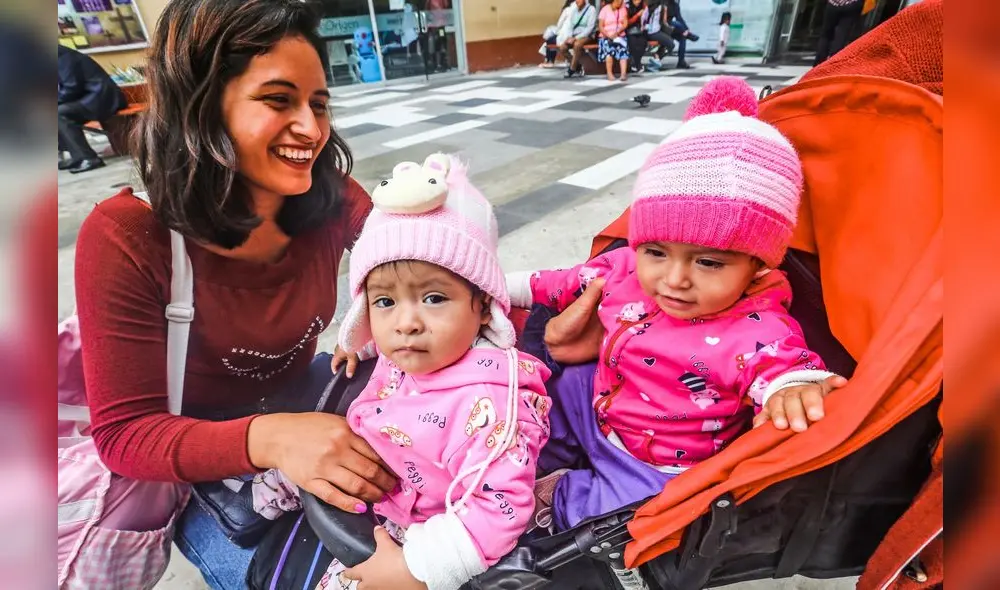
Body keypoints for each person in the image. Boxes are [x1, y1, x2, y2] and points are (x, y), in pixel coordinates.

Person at [73, 0, 397, 588]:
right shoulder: (128, 234)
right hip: (197, 457)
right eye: (279, 100)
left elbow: (419, 257)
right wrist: (272, 439)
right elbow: (124, 434)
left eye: (318, 103)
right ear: (202, 104)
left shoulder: (326, 194)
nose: (311, 129)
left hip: (310, 397)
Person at [507, 78, 846, 586]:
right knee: (542, 396)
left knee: (620, 521)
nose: (673, 278)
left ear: (756, 265)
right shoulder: (623, 268)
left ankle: (553, 496)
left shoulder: (754, 327)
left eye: (708, 262)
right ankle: (522, 457)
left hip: (661, 459)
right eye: (656, 251)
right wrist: (492, 286)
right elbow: (555, 282)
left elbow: (780, 363)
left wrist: (793, 387)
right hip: (596, 397)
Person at [316, 153, 552, 590]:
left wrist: (419, 568)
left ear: (482, 307)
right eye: (385, 303)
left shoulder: (489, 406)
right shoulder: (419, 346)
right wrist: (361, 347)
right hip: (388, 481)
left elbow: (501, 505)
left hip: (429, 528)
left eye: (434, 298)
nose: (406, 323)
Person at [57, 45, 126, 173]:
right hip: (88, 98)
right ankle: (77, 155)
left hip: (101, 99)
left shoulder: (62, 57)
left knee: (59, 114)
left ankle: (89, 158)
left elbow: (71, 87)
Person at [814, 0, 865, 66]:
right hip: (851, 4)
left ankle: (819, 62)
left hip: (833, 4)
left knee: (826, 34)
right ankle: (832, 63)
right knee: (842, 35)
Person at [558, 0, 597, 79]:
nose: (577, 1)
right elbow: (570, 25)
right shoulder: (574, 9)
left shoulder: (591, 9)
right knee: (562, 48)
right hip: (574, 35)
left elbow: (590, 28)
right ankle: (577, 66)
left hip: (587, 35)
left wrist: (575, 38)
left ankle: (572, 69)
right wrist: (569, 37)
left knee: (577, 44)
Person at [598, 0, 631, 82]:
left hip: (619, 35)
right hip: (606, 36)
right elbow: (600, 26)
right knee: (609, 50)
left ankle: (623, 74)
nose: (620, 2)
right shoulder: (604, 9)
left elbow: (625, 23)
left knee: (623, 50)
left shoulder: (623, 9)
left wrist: (617, 33)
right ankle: (609, 74)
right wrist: (608, 35)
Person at [541, 0, 576, 68]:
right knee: (552, 39)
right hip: (577, 36)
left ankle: (550, 61)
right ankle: (549, 60)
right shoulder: (583, 10)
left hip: (567, 37)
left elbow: (559, 24)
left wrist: (557, 31)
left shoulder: (567, 10)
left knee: (550, 40)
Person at [665, 0, 699, 69]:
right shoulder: (663, 3)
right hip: (663, 25)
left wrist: (686, 28)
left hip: (672, 28)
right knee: (676, 24)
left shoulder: (675, 5)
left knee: (682, 37)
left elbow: (679, 18)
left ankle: (681, 62)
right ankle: (689, 35)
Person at [643, 0, 675, 71]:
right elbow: (643, 20)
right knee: (670, 44)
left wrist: (670, 28)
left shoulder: (662, 7)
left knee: (669, 43)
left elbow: (664, 22)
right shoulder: (648, 7)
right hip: (650, 32)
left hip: (657, 31)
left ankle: (656, 60)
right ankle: (656, 59)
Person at [625, 0, 648, 74]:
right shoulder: (627, 6)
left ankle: (636, 63)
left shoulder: (643, 5)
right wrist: (637, 15)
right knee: (633, 43)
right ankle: (636, 64)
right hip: (629, 30)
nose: (638, 1)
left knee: (643, 43)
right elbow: (627, 23)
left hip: (640, 29)